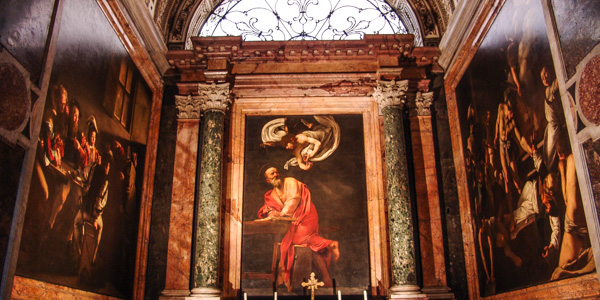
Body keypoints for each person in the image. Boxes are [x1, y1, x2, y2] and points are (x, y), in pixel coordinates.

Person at [258, 166, 340, 291]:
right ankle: (326, 277)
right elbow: (271, 207)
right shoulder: (273, 194)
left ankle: (330, 244)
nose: (276, 174)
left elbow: (293, 201)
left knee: (298, 240)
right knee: (307, 245)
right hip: (295, 220)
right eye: (272, 173)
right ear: (268, 180)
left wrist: (280, 214)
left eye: (276, 171)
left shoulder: (290, 181)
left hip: (307, 213)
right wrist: (271, 213)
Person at [261, 116, 340, 170]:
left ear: (291, 140)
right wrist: (305, 167)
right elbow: (300, 163)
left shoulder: (300, 138)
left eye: (287, 145)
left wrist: (311, 154)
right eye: (286, 147)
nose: (287, 148)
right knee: (306, 152)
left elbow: (318, 143)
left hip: (318, 135)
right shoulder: (295, 151)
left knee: (327, 132)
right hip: (312, 142)